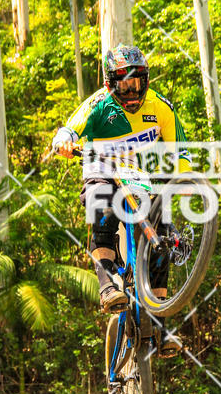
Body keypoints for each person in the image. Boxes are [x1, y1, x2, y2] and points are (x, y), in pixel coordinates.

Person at [52, 44, 191, 312]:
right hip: (101, 168)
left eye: (138, 83)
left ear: (147, 80)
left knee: (160, 235)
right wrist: (64, 142)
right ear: (109, 86)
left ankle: (161, 319)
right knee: (102, 206)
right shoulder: (97, 104)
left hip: (137, 175)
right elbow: (71, 128)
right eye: (125, 86)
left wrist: (184, 178)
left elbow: (181, 150)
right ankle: (107, 286)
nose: (133, 92)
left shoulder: (160, 107)